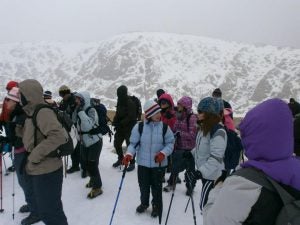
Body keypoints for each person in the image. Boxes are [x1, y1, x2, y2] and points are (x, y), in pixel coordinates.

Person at [203, 98, 300, 225]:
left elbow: (212, 222)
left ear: (256, 136)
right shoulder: (296, 168)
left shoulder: (244, 183)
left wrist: (217, 189)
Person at [19, 79, 68, 225]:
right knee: (47, 210)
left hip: (47, 170)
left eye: (21, 94)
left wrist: (34, 155)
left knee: (51, 212)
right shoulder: (31, 113)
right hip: (39, 169)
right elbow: (35, 138)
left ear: (28, 95)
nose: (19, 97)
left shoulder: (42, 112)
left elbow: (59, 136)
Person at [122, 99, 175, 217]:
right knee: (144, 186)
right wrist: (129, 154)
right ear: (149, 115)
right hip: (143, 164)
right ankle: (144, 203)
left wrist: (163, 153)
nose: (158, 115)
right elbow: (133, 144)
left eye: (159, 112)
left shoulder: (165, 128)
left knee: (156, 187)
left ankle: (156, 205)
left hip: (158, 165)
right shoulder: (139, 127)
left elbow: (170, 144)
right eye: (155, 113)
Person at [3, 87, 41, 225]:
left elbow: (23, 140)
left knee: (26, 183)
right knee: (24, 182)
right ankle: (33, 205)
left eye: (8, 99)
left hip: (24, 154)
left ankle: (36, 212)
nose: (6, 101)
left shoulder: (22, 116)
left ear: (16, 102)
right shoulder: (16, 114)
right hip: (20, 153)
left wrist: (8, 142)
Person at [184, 97, 227, 211]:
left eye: (200, 111)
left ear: (209, 113)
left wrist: (200, 172)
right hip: (206, 174)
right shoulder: (204, 128)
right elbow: (201, 148)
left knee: (206, 207)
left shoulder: (218, 132)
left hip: (214, 177)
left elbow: (216, 158)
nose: (197, 114)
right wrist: (191, 153)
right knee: (206, 206)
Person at [163, 96, 197, 195]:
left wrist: (179, 134)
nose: (177, 107)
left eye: (180, 105)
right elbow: (174, 129)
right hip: (179, 147)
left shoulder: (192, 118)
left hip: (190, 149)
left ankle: (190, 187)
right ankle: (171, 184)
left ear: (185, 106)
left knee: (190, 170)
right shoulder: (179, 116)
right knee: (175, 167)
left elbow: (193, 135)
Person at [73, 91, 103, 198]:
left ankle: (97, 187)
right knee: (85, 163)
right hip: (84, 141)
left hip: (94, 141)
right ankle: (92, 180)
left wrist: (80, 112)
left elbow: (88, 126)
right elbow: (73, 121)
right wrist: (74, 111)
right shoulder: (79, 109)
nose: (76, 101)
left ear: (83, 99)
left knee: (92, 164)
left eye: (78, 99)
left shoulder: (91, 110)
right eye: (76, 99)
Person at [58, 85, 83, 176]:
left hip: (75, 126)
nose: (62, 97)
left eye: (63, 95)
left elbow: (75, 113)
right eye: (61, 95)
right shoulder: (64, 101)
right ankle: (76, 165)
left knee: (77, 146)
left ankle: (79, 165)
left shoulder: (74, 100)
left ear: (67, 93)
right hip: (68, 127)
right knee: (73, 146)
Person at [112, 85, 137, 171]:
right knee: (117, 143)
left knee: (130, 145)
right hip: (121, 128)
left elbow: (131, 116)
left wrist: (121, 123)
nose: (118, 95)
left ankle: (132, 162)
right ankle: (120, 158)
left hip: (129, 128)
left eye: (120, 93)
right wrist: (115, 121)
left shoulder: (130, 102)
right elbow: (118, 113)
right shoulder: (120, 101)